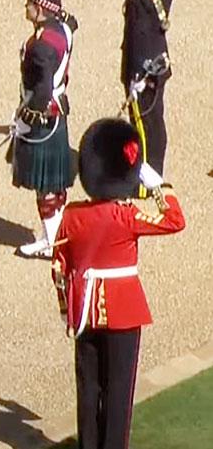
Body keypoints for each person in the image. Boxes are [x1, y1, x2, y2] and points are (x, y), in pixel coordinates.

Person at [51, 118, 185, 449]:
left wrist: (68, 309)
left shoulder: (72, 215)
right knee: (118, 389)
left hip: (84, 310)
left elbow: (59, 267)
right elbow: (174, 220)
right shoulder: (125, 217)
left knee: (89, 386)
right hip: (123, 309)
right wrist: (156, 184)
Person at [12, 0, 77, 259]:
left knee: (46, 186)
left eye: (30, 4)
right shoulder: (62, 29)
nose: (25, 7)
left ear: (40, 10)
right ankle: (55, 234)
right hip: (57, 113)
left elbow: (41, 89)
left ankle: (51, 241)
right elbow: (69, 21)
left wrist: (26, 118)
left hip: (44, 117)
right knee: (54, 182)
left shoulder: (41, 47)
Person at [120, 0, 174, 176]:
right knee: (155, 119)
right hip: (159, 60)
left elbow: (137, 39)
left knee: (143, 123)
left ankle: (147, 175)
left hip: (144, 69)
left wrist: (136, 76)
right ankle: (154, 169)